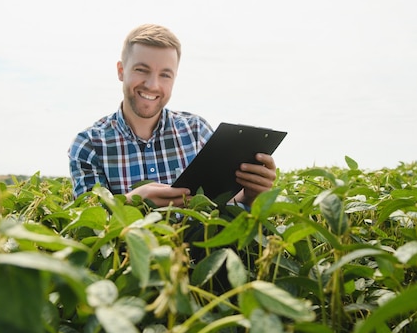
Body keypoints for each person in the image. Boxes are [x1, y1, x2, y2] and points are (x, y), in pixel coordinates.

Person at [68, 24, 277, 208]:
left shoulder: (196, 131)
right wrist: (130, 201)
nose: (153, 85)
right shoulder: (89, 145)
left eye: (165, 75)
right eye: (142, 70)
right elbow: (87, 221)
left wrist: (251, 196)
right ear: (121, 71)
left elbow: (220, 205)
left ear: (175, 77)